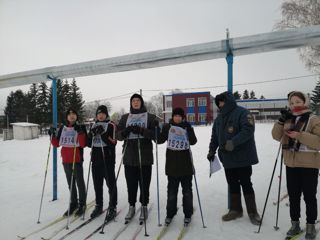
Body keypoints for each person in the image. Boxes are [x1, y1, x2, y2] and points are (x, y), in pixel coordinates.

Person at [207, 91, 261, 225]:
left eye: (222, 101)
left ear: (229, 100)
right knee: (232, 183)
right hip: (227, 158)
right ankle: (235, 209)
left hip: (242, 157)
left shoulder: (242, 113)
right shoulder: (219, 119)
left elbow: (248, 130)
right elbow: (214, 137)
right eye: (218, 102)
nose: (220, 104)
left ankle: (253, 212)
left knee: (246, 183)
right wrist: (211, 150)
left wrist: (233, 142)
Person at [272, 91, 320, 239]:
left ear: (304, 102)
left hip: (309, 165)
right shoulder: (289, 119)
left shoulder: (313, 119)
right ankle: (295, 224)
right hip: (291, 164)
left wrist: (299, 135)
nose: (294, 105)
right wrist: (281, 121)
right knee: (293, 196)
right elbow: (276, 136)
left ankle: (310, 225)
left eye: (297, 102)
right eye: (291, 103)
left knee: (309, 196)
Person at [117, 93, 158, 222]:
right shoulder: (125, 118)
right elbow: (118, 136)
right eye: (133, 101)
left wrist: (143, 131)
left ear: (141, 103)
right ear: (131, 103)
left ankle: (144, 205)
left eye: (138, 100)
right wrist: (125, 131)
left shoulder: (149, 117)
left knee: (144, 183)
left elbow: (156, 136)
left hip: (145, 156)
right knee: (131, 184)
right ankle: (132, 206)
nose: (135, 102)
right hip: (129, 156)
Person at [158, 107, 197, 225]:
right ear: (173, 117)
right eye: (175, 115)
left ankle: (188, 214)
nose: (177, 118)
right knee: (171, 193)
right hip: (172, 167)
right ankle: (170, 213)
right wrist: (156, 129)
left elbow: (194, 141)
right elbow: (159, 140)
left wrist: (189, 130)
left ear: (183, 117)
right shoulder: (168, 127)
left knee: (187, 192)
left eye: (180, 116)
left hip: (186, 167)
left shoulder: (187, 126)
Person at [49, 108, 87, 216]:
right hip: (66, 160)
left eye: (74, 114)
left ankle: (82, 204)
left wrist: (80, 132)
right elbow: (57, 144)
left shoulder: (81, 127)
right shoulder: (63, 128)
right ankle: (73, 203)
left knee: (79, 183)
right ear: (67, 117)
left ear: (76, 116)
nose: (71, 116)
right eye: (69, 114)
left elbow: (83, 144)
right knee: (70, 183)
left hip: (77, 159)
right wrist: (51, 135)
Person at [87, 105, 118, 221]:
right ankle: (99, 205)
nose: (100, 115)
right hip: (95, 160)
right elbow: (89, 144)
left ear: (106, 114)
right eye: (98, 114)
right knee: (97, 185)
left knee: (111, 184)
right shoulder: (93, 125)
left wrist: (103, 134)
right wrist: (91, 135)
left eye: (103, 114)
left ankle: (112, 206)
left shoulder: (111, 125)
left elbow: (113, 142)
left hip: (108, 159)